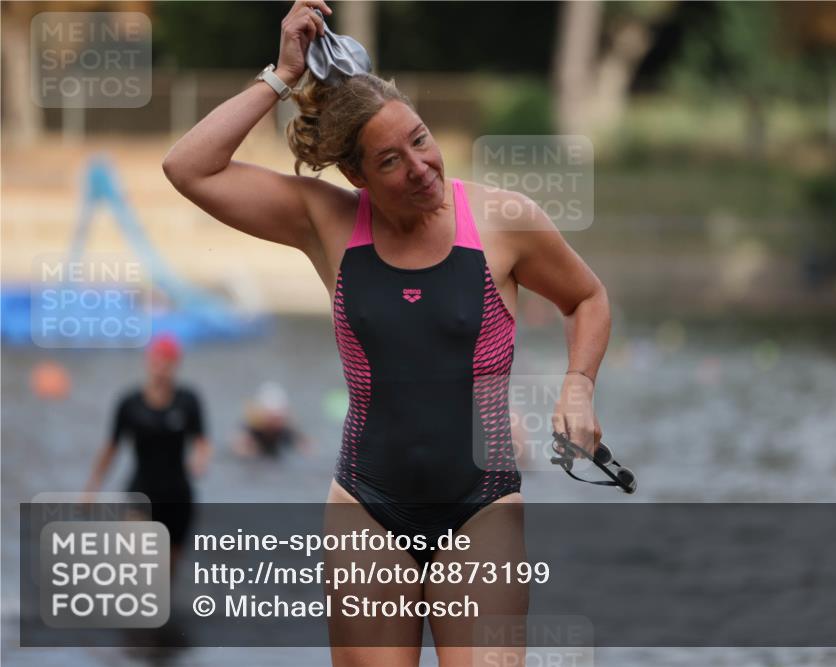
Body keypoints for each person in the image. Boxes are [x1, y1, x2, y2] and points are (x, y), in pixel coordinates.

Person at [161, 1, 610, 664]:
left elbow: (587, 297)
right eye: (391, 160)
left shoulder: (504, 221)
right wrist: (281, 76)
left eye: (421, 140)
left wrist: (578, 385)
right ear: (357, 175)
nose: (420, 166)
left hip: (481, 507)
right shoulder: (327, 221)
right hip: (366, 509)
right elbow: (188, 167)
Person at [84, 333, 211, 571]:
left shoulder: (188, 401)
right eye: (157, 362)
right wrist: (92, 488)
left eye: (167, 364)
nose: (161, 370)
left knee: (167, 572)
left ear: (176, 365)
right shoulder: (130, 404)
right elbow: (111, 448)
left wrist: (200, 459)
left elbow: (202, 441)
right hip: (140, 493)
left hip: (178, 497)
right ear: (148, 362)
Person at [231, 381, 311, 458]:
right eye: (272, 418)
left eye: (278, 418)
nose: (275, 424)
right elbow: (239, 450)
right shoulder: (249, 433)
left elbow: (308, 450)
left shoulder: (288, 432)